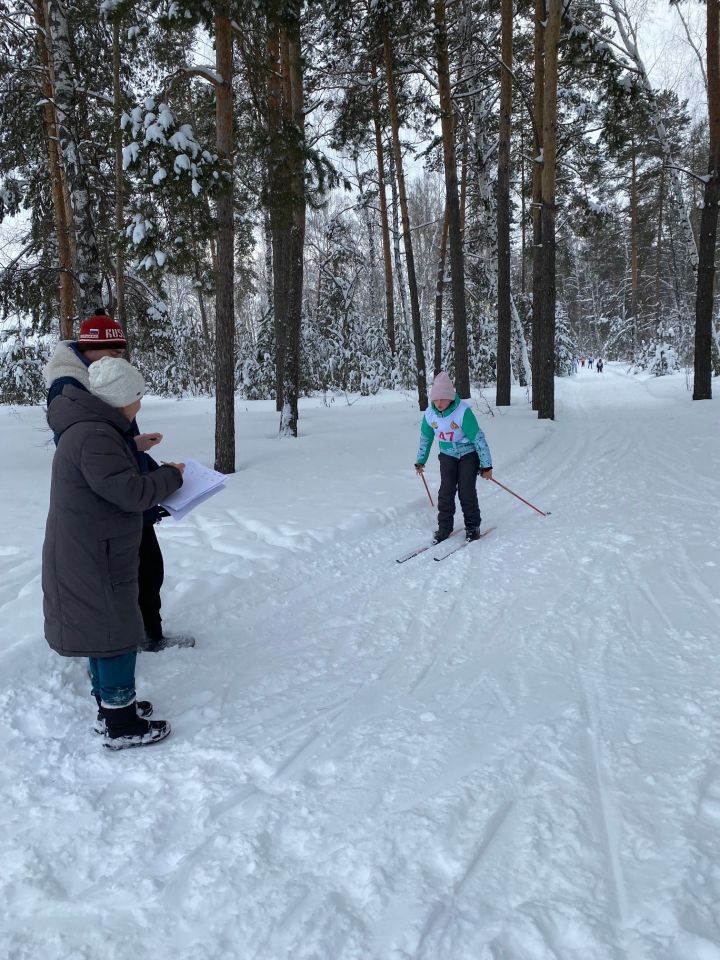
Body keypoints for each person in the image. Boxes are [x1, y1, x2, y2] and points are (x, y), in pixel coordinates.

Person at [42, 357, 185, 749]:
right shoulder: (95, 436)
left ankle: (112, 706)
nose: (140, 403)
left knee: (101, 629)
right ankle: (120, 723)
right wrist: (172, 475)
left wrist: (133, 446)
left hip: (90, 546)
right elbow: (131, 492)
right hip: (94, 552)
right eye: (138, 396)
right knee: (114, 634)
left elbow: (104, 470)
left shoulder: (92, 427)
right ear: (123, 398)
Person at [44, 308, 184, 652]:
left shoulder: (93, 377)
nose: (117, 360)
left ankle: (143, 634)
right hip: (109, 506)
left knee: (146, 567)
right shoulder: (69, 386)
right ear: (90, 349)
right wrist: (162, 474)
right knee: (136, 572)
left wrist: (133, 444)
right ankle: (133, 643)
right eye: (113, 353)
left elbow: (98, 447)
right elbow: (87, 454)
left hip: (119, 492)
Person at [414, 371, 493, 543]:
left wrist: (486, 466)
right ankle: (444, 528)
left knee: (466, 491)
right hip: (447, 455)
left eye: (443, 398)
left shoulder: (463, 412)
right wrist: (420, 461)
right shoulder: (430, 414)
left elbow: (478, 439)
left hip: (468, 454)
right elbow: (425, 438)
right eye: (435, 399)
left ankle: (473, 527)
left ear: (450, 397)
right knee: (446, 491)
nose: (439, 403)